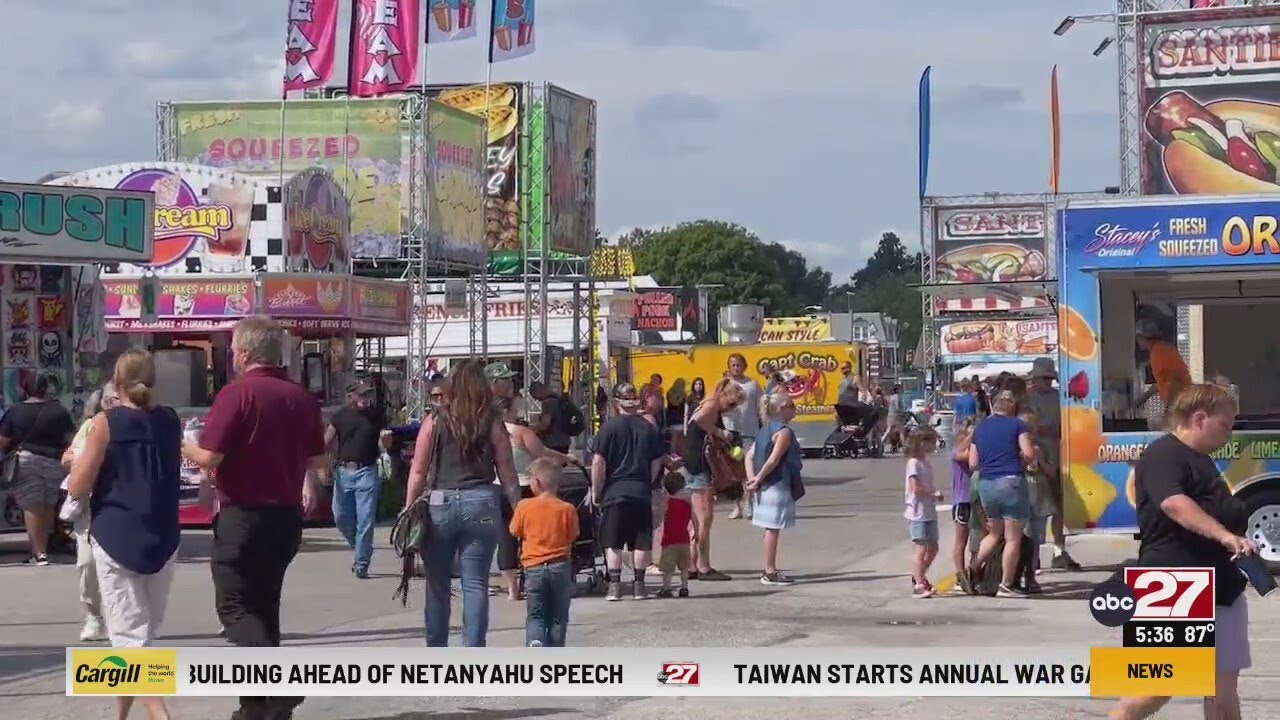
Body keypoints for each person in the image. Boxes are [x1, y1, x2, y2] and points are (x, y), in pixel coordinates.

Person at [182, 317, 325, 720]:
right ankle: (259, 707)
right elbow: (318, 460)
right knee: (265, 608)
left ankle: (277, 688)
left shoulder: (237, 394)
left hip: (243, 514)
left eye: (232, 349)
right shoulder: (300, 398)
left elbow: (209, 458)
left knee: (235, 609)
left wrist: (182, 446)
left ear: (244, 353)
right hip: (285, 517)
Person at [1108, 384, 1255, 720]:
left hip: (1223, 588)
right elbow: (1174, 504)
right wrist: (1225, 537)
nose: (1230, 433)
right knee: (1155, 686)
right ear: (1199, 418)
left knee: (1222, 690)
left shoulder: (1201, 461)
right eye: (1225, 424)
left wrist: (1237, 539)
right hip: (1174, 583)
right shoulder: (1163, 454)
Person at [67, 350, 181, 720]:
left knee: (130, 640)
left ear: (116, 382)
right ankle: (122, 715)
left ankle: (161, 715)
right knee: (144, 637)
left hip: (117, 533)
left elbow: (80, 484)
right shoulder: (170, 421)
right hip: (163, 534)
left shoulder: (105, 423)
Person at [408, 360, 522, 646]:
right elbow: (507, 472)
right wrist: (519, 508)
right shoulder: (492, 420)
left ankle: (436, 648)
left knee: (438, 584)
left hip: (440, 502)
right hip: (482, 500)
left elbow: (419, 470)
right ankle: (473, 651)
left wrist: (409, 507)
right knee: (475, 584)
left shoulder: (435, 420)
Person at [496, 397, 579, 601]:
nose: (518, 412)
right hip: (525, 486)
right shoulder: (520, 432)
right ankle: (534, 575)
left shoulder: (489, 431)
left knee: (505, 536)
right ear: (507, 410)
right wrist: (566, 458)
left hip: (497, 487)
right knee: (531, 531)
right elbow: (541, 452)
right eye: (515, 408)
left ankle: (512, 587)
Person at [591, 383, 664, 601]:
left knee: (613, 541)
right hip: (640, 491)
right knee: (641, 542)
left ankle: (615, 587)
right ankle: (639, 587)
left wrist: (596, 491)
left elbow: (598, 463)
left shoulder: (608, 428)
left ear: (616, 402)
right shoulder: (647, 428)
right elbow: (657, 460)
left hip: (615, 492)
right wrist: (647, 482)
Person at [59, 383, 119, 642]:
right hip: (90, 505)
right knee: (87, 563)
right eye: (113, 399)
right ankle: (94, 616)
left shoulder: (139, 425)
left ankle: (120, 618)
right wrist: (80, 458)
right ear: (105, 402)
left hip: (121, 503)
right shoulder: (91, 426)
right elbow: (66, 458)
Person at [0, 374, 76, 566]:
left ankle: (39, 552)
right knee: (47, 505)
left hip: (26, 461)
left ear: (24, 389)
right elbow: (70, 440)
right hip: (53, 462)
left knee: (31, 506)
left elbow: (3, 441)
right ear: (45, 388)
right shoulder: (58, 411)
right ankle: (43, 547)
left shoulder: (15, 411)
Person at [966, 391, 1036, 598]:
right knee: (1013, 538)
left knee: (994, 534)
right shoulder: (1017, 425)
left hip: (986, 484)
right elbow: (1030, 453)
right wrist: (1020, 463)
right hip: (1011, 482)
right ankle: (1006, 585)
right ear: (1012, 407)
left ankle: (972, 568)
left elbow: (973, 463)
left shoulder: (980, 428)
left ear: (993, 406)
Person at [509, 457, 578, 647]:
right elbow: (573, 535)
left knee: (535, 614)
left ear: (536, 482)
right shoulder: (567, 509)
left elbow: (514, 530)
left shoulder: (524, 506)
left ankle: (535, 641)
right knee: (558, 616)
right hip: (560, 566)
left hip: (533, 567)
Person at [326, 380, 390, 579]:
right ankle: (361, 546)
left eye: (367, 394)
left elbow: (383, 443)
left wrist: (386, 440)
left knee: (365, 520)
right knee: (340, 516)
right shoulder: (340, 417)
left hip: (367, 472)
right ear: (350, 396)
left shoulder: (376, 416)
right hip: (344, 472)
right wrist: (323, 465)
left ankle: (361, 563)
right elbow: (326, 441)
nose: (365, 399)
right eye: (361, 395)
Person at [683, 378, 745, 581]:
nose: (731, 409)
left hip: (694, 463)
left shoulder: (708, 403)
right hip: (699, 465)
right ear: (724, 396)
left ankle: (692, 564)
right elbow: (701, 421)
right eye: (731, 404)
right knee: (704, 518)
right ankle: (703, 567)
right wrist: (721, 432)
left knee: (698, 518)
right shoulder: (710, 405)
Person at [1023, 358, 1081, 572]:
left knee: (1058, 506)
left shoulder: (1060, 397)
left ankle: (1059, 550)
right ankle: (1032, 554)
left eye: (1050, 378)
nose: (1047, 382)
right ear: (1035, 377)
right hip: (1036, 458)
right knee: (1035, 509)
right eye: (1044, 378)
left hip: (1059, 457)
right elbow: (1029, 427)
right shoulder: (1026, 398)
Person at [746, 391, 803, 585]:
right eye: (791, 406)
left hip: (763, 487)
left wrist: (752, 479)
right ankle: (769, 571)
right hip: (776, 484)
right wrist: (758, 478)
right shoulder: (784, 431)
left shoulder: (764, 430)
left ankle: (769, 567)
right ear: (781, 409)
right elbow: (774, 459)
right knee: (772, 528)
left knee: (768, 528)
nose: (794, 410)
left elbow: (749, 456)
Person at [1017, 410, 1053, 595]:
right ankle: (1017, 575)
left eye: (1032, 428)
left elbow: (1052, 472)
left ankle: (1031, 576)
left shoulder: (1041, 446)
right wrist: (1024, 460)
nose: (1030, 432)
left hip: (1039, 498)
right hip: (1020, 497)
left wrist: (1039, 460)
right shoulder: (1014, 447)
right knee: (1019, 539)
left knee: (1035, 541)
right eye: (1026, 428)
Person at [903, 427, 942, 598]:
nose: (934, 445)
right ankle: (918, 583)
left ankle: (919, 575)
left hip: (929, 511)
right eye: (932, 441)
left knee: (933, 547)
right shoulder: (913, 463)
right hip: (917, 512)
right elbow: (915, 489)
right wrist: (933, 494)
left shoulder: (926, 462)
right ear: (922, 443)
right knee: (920, 548)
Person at [722, 353, 762, 520]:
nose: (735, 368)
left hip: (749, 432)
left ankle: (749, 503)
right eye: (733, 365)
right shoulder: (724, 385)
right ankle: (736, 506)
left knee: (747, 471)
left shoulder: (752, 385)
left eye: (738, 365)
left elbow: (761, 407)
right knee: (732, 473)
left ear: (744, 366)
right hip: (730, 433)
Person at [1134, 319, 1192, 430]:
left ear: (1141, 337)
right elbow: (1162, 381)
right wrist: (1144, 398)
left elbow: (1172, 381)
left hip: (1180, 405)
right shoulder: (1161, 349)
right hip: (1182, 403)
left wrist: (1168, 412)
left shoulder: (1158, 352)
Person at [654, 471, 692, 598]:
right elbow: (694, 519)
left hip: (669, 540)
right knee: (685, 567)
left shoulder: (668, 503)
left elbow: (660, 516)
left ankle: (666, 588)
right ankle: (684, 587)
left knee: (667, 568)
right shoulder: (687, 503)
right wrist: (695, 532)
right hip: (684, 539)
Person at [949, 417, 976, 594]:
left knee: (976, 538)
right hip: (962, 501)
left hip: (974, 499)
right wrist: (972, 437)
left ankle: (972, 572)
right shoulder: (956, 453)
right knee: (961, 541)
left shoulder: (972, 453)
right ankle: (959, 574)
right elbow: (962, 454)